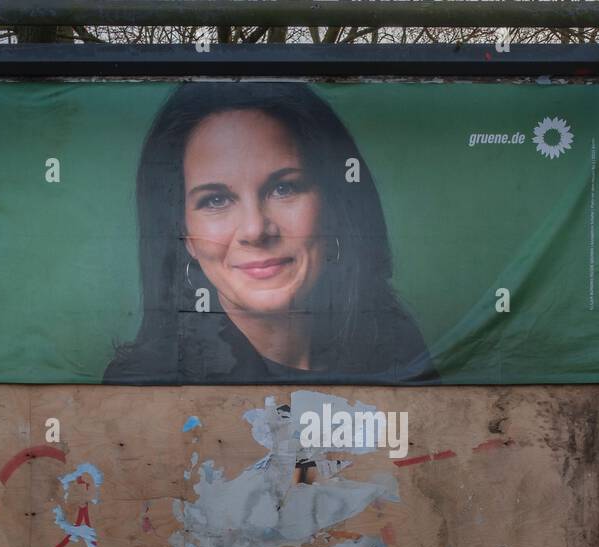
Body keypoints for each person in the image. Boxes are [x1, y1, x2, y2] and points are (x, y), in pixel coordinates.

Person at [104, 82, 438, 385]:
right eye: (216, 200)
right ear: (184, 234)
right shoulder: (144, 381)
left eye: (283, 188)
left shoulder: (399, 353)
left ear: (333, 207)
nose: (255, 229)